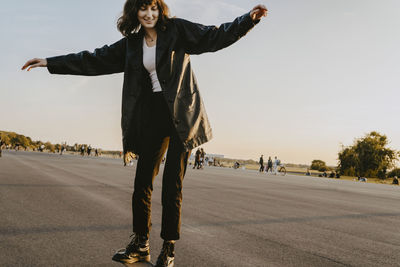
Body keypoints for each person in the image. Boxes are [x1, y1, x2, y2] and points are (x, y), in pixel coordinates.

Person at [21, 1, 267, 266]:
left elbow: (214, 35)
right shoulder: (131, 44)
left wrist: (248, 20)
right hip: (152, 116)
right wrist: (49, 62)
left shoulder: (177, 30)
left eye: (153, 8)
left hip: (182, 116)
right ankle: (141, 244)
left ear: (159, 10)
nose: (148, 14)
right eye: (142, 9)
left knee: (173, 186)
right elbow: (92, 59)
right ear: (134, 13)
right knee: (142, 184)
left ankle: (169, 248)